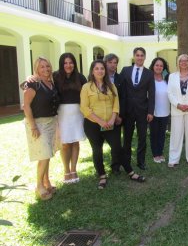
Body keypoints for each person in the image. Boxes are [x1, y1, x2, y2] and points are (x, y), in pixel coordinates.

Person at [80, 60, 145, 189]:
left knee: (117, 148)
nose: (100, 71)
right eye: (97, 68)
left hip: (110, 123)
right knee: (97, 150)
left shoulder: (111, 86)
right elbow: (84, 108)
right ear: (92, 71)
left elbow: (116, 104)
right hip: (92, 124)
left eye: (102, 69)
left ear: (105, 71)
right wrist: (100, 121)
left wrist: (112, 119)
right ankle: (102, 175)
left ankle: (130, 172)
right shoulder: (86, 87)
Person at [23, 57, 59, 200]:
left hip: (51, 122)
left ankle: (46, 181)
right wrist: (33, 126)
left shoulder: (51, 82)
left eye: (47, 66)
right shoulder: (32, 84)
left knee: (48, 153)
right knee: (43, 155)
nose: (46, 69)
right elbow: (26, 106)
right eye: (42, 67)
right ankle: (39, 186)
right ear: (36, 69)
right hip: (38, 123)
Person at [53, 53, 87, 184]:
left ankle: (74, 170)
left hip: (78, 113)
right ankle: (66, 170)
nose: (68, 65)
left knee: (75, 142)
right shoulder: (55, 77)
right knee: (65, 143)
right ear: (62, 64)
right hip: (62, 114)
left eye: (71, 62)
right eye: (65, 63)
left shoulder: (80, 77)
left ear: (74, 64)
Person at [120, 47, 155, 170]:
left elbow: (152, 94)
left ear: (145, 57)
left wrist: (151, 111)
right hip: (128, 111)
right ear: (134, 56)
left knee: (142, 138)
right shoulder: (125, 70)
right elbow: (121, 91)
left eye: (142, 55)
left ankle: (141, 162)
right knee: (127, 138)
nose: (140, 57)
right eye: (137, 55)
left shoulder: (149, 73)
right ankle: (126, 162)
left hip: (143, 111)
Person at [167, 54, 188, 167]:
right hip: (177, 110)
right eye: (181, 61)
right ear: (178, 63)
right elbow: (170, 93)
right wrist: (178, 105)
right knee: (176, 135)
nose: (184, 63)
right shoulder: (172, 76)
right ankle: (173, 159)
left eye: (186, 61)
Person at [104, 53, 123, 173]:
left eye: (115, 62)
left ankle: (115, 166)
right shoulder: (98, 77)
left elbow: (123, 98)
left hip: (116, 116)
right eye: (110, 62)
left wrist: (119, 115)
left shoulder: (121, 78)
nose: (113, 65)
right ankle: (100, 169)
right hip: (100, 116)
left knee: (116, 143)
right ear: (105, 63)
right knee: (98, 145)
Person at [149, 57, 170, 164]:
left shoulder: (167, 78)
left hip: (165, 111)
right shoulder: (149, 79)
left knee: (162, 133)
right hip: (153, 112)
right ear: (153, 66)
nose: (159, 67)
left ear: (164, 68)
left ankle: (160, 153)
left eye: (161, 66)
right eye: (157, 65)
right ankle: (155, 154)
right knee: (154, 134)